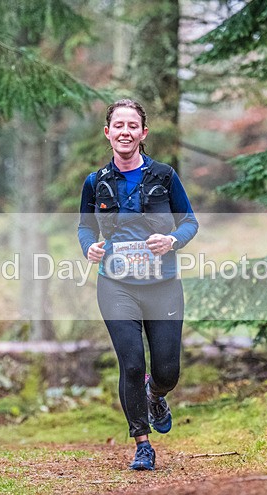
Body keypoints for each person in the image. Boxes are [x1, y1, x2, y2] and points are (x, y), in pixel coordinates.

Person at [78, 99, 199, 470]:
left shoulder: (164, 176)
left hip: (162, 284)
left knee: (166, 371)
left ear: (143, 133)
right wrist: (90, 248)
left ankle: (156, 394)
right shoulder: (96, 183)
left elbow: (190, 222)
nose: (125, 132)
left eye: (133, 126)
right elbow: (85, 227)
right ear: (108, 132)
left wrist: (173, 240)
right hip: (115, 285)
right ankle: (142, 444)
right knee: (131, 364)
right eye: (119, 125)